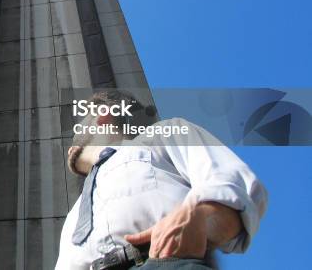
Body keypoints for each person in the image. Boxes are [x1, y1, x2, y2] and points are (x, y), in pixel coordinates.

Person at [56, 90, 268, 270]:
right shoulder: (76, 211)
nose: (74, 136)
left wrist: (199, 217)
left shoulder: (160, 136)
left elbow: (233, 187)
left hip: (160, 261)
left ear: (101, 115)